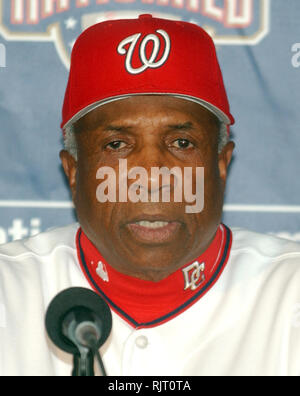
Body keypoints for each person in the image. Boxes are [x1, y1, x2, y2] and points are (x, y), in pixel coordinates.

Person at [0, 14, 299, 377]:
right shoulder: (8, 293)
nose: (153, 177)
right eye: (117, 145)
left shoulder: (290, 293)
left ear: (221, 164)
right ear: (73, 170)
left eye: (182, 143)